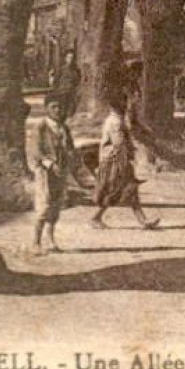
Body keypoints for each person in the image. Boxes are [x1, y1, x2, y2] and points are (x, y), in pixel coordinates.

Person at [90, 101, 160, 230]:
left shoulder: (118, 120)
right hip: (115, 160)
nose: (126, 107)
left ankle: (143, 220)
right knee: (116, 190)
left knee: (130, 188)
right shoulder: (116, 122)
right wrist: (132, 153)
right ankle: (96, 217)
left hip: (117, 159)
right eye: (124, 104)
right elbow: (119, 143)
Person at [32, 94, 83, 255]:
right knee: (44, 206)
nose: (57, 110)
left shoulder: (64, 128)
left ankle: (50, 238)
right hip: (45, 172)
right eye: (53, 106)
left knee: (56, 205)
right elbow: (35, 151)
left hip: (61, 171)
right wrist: (49, 163)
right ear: (46, 108)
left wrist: (72, 162)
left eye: (60, 107)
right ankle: (36, 242)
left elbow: (70, 148)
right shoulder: (40, 127)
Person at [48, 49, 82, 123]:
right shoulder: (61, 70)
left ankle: (67, 126)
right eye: (69, 58)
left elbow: (78, 81)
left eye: (72, 58)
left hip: (72, 94)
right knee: (62, 112)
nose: (70, 60)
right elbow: (56, 81)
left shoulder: (76, 70)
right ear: (66, 59)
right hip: (62, 93)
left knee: (71, 112)